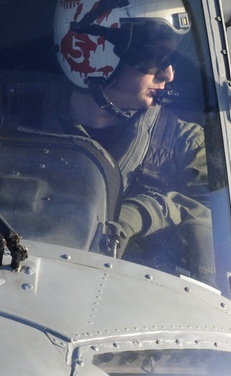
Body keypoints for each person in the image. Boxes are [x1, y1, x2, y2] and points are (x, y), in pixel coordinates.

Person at [44, 0, 212, 276]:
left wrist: (142, 214)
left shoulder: (186, 144)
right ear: (96, 52)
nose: (169, 72)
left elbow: (223, 228)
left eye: (171, 56)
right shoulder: (13, 120)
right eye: (155, 55)